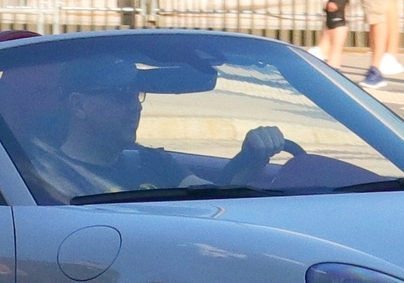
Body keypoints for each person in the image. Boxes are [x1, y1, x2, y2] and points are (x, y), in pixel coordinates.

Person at [22, 57, 292, 201]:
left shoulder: (152, 162)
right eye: (120, 95)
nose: (136, 107)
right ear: (78, 106)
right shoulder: (45, 174)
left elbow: (212, 202)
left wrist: (249, 158)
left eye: (136, 94)